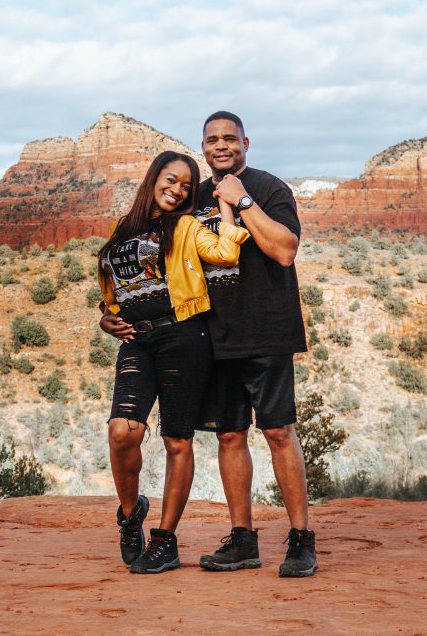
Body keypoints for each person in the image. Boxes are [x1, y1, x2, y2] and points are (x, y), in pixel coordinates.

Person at [101, 111, 317, 578]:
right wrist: (113, 313)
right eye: (212, 139)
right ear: (203, 147)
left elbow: (284, 249)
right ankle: (243, 539)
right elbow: (153, 257)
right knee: (229, 435)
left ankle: (301, 539)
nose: (221, 145)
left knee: (278, 431)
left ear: (245, 142)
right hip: (209, 334)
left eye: (230, 138)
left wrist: (242, 201)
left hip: (265, 329)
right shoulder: (191, 196)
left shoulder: (268, 187)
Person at [97, 149, 249, 574]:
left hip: (183, 335)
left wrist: (225, 206)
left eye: (186, 184)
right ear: (154, 178)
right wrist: (106, 317)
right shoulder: (123, 228)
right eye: (171, 179)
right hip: (136, 341)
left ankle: (165, 541)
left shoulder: (184, 225)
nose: (178, 189)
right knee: (122, 431)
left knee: (177, 440)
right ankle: (131, 515)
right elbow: (115, 290)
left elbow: (225, 252)